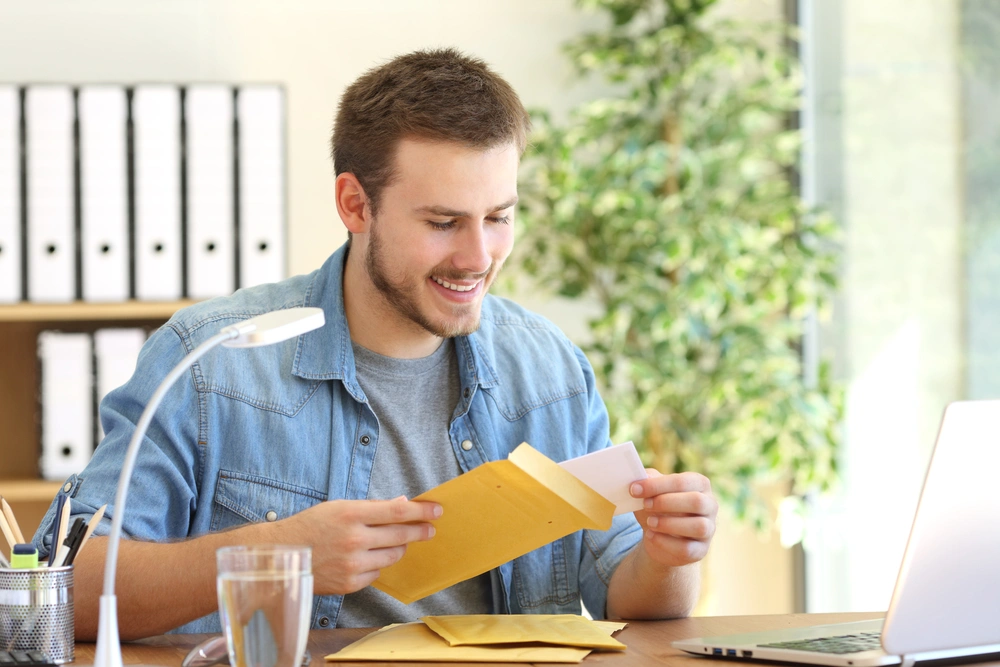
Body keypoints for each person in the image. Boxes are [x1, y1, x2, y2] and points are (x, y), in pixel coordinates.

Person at [32, 48, 718, 640]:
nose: (478, 255)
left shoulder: (549, 368)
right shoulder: (212, 361)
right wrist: (281, 551)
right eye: (444, 222)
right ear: (355, 205)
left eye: (499, 217)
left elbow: (629, 599)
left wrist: (669, 554)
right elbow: (65, 591)